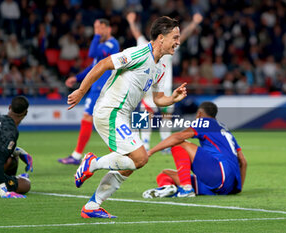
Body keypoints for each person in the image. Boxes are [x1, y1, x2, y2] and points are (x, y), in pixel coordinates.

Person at [67, 16, 187, 218]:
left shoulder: (160, 67)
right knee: (140, 157)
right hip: (110, 111)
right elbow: (104, 63)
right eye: (175, 37)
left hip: (121, 116)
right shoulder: (138, 53)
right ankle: (92, 163)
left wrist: (172, 98)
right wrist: (81, 90)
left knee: (132, 163)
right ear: (160, 38)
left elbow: (158, 99)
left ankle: (93, 206)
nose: (178, 41)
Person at [126, 12, 203, 151]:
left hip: (159, 87)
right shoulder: (158, 45)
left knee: (153, 116)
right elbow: (183, 36)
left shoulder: (158, 44)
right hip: (153, 87)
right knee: (160, 116)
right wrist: (194, 23)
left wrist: (131, 21)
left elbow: (137, 33)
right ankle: (155, 144)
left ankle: (150, 143)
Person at [143, 102, 247, 198]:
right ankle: (169, 188)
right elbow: (243, 161)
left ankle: (186, 188)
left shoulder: (204, 122)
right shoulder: (225, 130)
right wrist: (238, 188)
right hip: (228, 185)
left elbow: (178, 137)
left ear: (199, 113)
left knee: (178, 143)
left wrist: (150, 152)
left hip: (218, 174)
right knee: (165, 174)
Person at [58, 19, 120, 165]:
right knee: (96, 118)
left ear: (107, 28)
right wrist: (77, 78)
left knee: (94, 118)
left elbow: (92, 53)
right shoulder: (103, 45)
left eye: (99, 27)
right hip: (96, 87)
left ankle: (78, 155)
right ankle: (115, 155)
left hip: (102, 87)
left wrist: (97, 36)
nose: (96, 30)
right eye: (95, 28)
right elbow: (93, 67)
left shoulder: (112, 44)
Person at [0, 96, 32, 198]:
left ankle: (8, 179)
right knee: (26, 184)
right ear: (25, 113)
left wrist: (20, 152)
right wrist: (3, 190)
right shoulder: (10, 131)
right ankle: (5, 183)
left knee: (12, 158)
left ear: (9, 107)